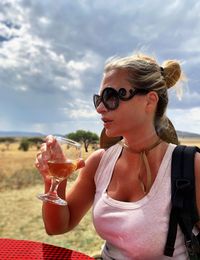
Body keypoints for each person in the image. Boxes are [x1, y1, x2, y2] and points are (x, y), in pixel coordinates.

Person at [35, 53, 200, 259]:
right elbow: (58, 226)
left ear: (149, 101)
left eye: (111, 97)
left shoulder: (190, 167)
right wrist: (54, 180)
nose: (100, 108)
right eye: (98, 99)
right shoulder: (99, 161)